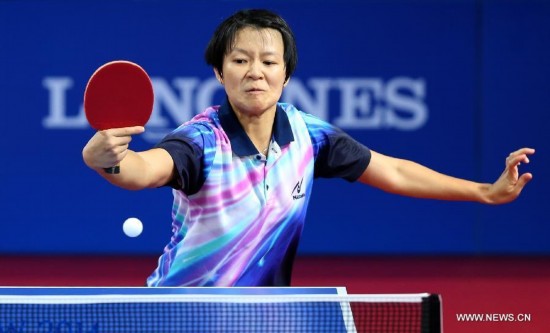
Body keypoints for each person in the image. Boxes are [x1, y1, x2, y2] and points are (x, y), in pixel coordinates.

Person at [82, 9, 535, 287]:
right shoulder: (200, 140)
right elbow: (145, 170)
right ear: (220, 73)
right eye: (239, 60)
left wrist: (484, 192)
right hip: (178, 316)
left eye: (268, 61)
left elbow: (392, 170)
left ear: (286, 74)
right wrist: (107, 162)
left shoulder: (307, 134)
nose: (254, 72)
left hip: (263, 320)